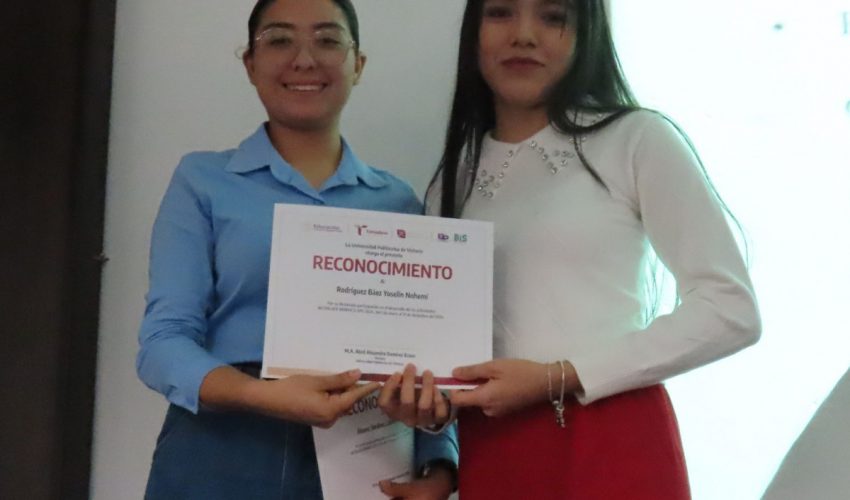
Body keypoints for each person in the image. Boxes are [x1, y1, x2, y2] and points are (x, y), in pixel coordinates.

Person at [379, 0, 761, 499]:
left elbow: (731, 310)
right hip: (494, 451)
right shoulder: (452, 179)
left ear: (587, 34)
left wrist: (558, 378)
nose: (523, 34)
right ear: (474, 30)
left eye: (553, 16)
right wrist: (430, 411)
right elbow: (455, 360)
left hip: (612, 439)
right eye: (500, 13)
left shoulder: (635, 139)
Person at [136, 0, 457, 498]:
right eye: (280, 40)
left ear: (358, 64)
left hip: (364, 445)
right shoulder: (201, 181)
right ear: (250, 64)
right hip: (222, 445)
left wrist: (440, 464)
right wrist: (261, 395)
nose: (304, 59)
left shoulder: (398, 202)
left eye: (327, 40)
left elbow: (432, 359)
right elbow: (162, 344)